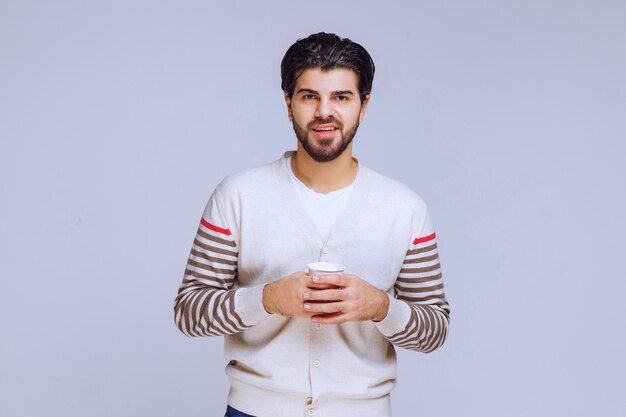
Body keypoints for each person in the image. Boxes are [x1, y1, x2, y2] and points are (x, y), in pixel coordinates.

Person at [174, 32, 450, 417]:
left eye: (341, 97)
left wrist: (380, 307)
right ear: (288, 103)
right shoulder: (238, 196)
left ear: (363, 106)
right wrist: (267, 299)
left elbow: (434, 329)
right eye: (309, 96)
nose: (325, 112)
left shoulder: (404, 209)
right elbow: (189, 312)